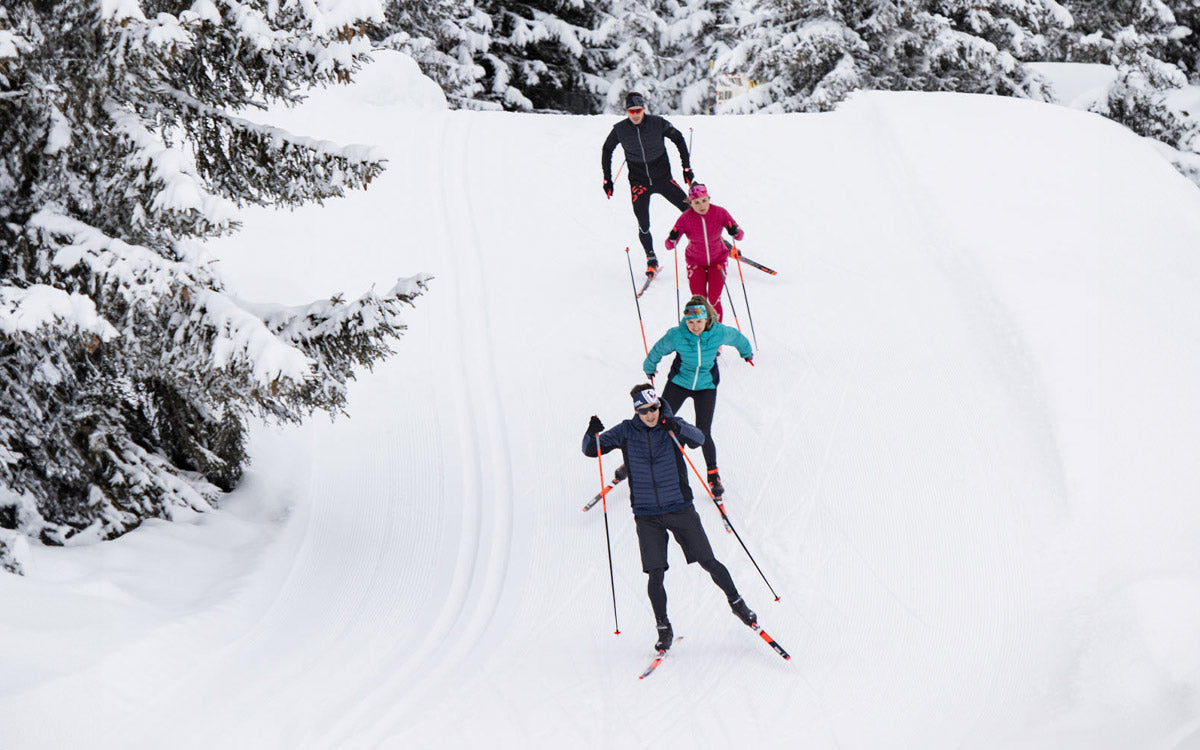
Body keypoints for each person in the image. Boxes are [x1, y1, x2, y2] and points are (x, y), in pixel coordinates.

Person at [583, 384, 757, 652]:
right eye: (643, 411)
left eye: (653, 409)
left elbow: (699, 438)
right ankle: (663, 627)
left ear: (658, 405)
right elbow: (592, 450)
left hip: (680, 508)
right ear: (636, 412)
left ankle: (737, 604)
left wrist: (677, 426)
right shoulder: (626, 432)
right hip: (647, 515)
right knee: (655, 574)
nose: (650, 415)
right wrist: (591, 432)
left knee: (708, 561)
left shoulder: (671, 425)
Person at [643, 295, 753, 498]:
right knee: (658, 421)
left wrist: (746, 353)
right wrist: (649, 367)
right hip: (679, 383)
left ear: (707, 319)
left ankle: (713, 475)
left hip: (706, 386)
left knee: (704, 431)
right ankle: (636, 459)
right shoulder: (677, 335)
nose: (694, 326)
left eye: (699, 322)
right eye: (690, 322)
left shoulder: (718, 332)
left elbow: (737, 338)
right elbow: (658, 349)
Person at [601, 92, 694, 278]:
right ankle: (651, 258)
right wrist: (607, 179)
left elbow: (678, 138)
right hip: (639, 183)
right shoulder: (620, 129)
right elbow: (607, 149)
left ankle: (715, 243)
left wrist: (686, 167)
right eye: (631, 111)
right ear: (626, 111)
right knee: (643, 223)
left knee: (691, 209)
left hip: (663, 178)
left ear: (644, 109)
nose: (635, 114)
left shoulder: (657, 123)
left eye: (638, 110)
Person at [664, 183, 743, 321]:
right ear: (690, 203)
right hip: (695, 262)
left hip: (718, 260)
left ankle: (715, 336)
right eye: (696, 202)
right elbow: (669, 246)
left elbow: (740, 235)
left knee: (713, 299)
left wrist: (734, 232)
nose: (701, 206)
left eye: (704, 200)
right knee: (699, 301)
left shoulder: (720, 212)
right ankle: (698, 333)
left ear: (708, 198)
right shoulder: (685, 218)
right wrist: (672, 238)